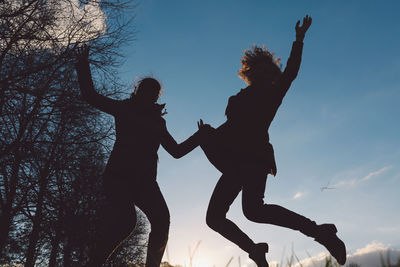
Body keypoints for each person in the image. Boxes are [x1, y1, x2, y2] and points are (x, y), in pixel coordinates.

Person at [199, 16, 346, 267]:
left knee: (251, 211)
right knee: (221, 217)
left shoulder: (271, 94)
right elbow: (231, 129)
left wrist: (299, 40)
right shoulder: (239, 98)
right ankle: (257, 249)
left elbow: (291, 72)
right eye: (261, 70)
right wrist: (209, 134)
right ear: (252, 70)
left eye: (270, 72)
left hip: (254, 159)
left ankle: (319, 233)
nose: (267, 74)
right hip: (237, 161)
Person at [75, 46, 204, 267]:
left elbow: (176, 151)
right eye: (146, 91)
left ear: (156, 97)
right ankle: (95, 262)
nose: (150, 96)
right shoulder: (124, 109)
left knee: (162, 220)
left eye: (154, 93)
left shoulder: (158, 122)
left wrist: (199, 137)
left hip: (145, 182)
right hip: (119, 177)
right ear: (138, 91)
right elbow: (90, 96)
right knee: (126, 223)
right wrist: (83, 65)